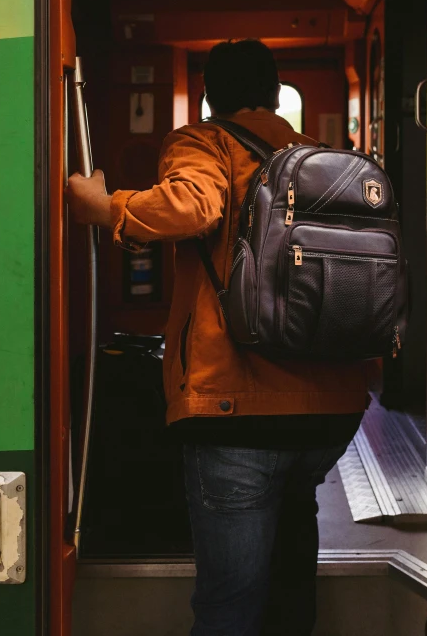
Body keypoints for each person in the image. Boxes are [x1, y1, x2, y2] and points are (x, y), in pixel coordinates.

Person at [67, 39, 373, 636]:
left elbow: (194, 206)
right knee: (290, 591)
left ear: (209, 98)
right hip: (328, 410)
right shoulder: (320, 156)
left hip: (235, 406)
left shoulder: (203, 141)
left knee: (230, 604)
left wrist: (106, 208)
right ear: (272, 92)